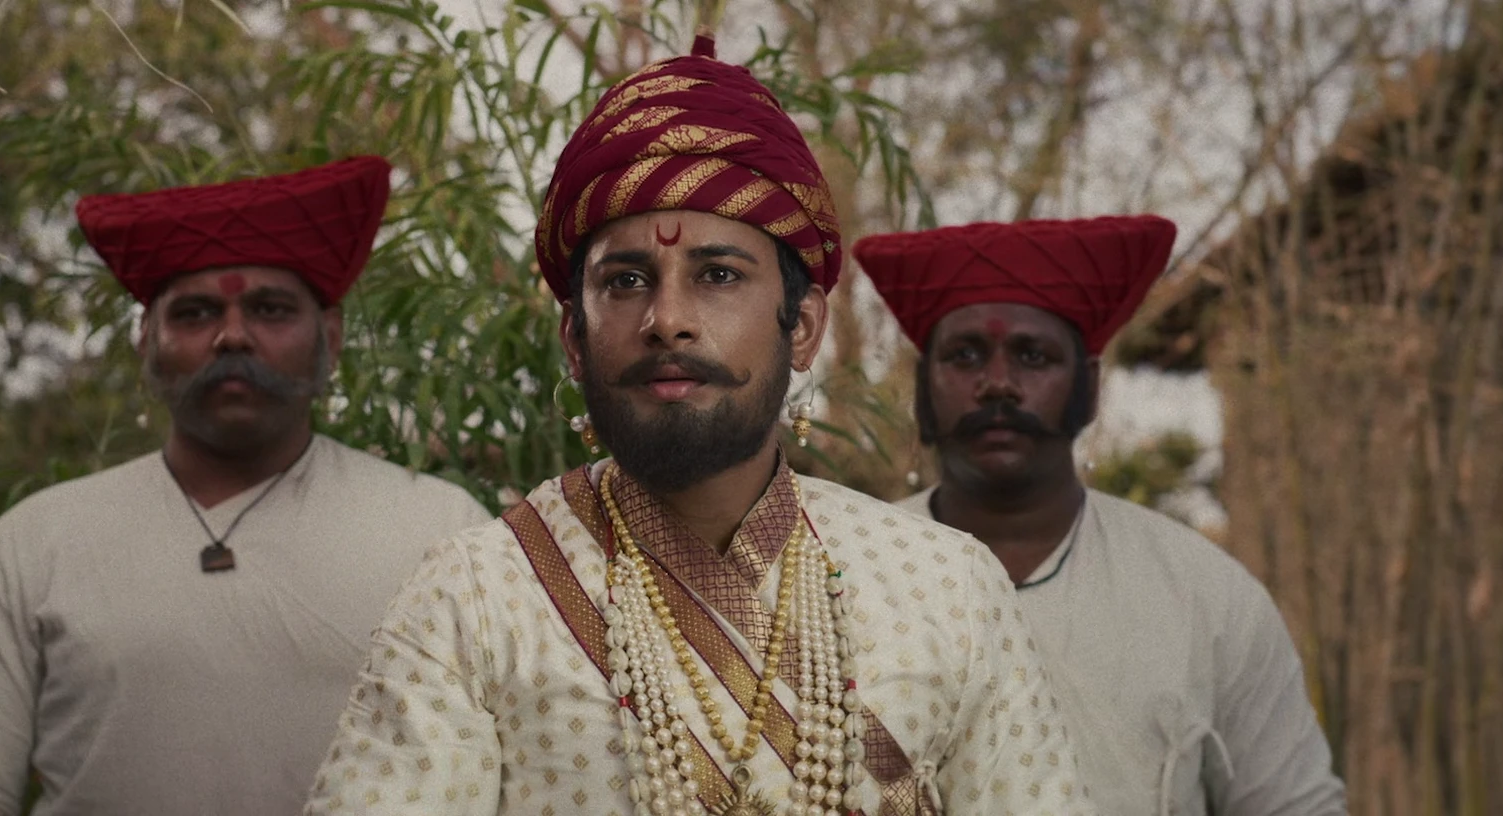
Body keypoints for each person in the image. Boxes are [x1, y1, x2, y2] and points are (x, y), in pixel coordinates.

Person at [303, 38, 1091, 816]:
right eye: (626, 281)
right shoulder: (477, 596)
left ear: (803, 328)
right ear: (574, 338)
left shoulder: (948, 588)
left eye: (718, 275)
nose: (668, 319)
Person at [0, 156, 494, 816]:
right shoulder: (36, 543)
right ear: (146, 341)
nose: (233, 336)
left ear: (331, 337)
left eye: (270, 309)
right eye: (196, 313)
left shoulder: (441, 531)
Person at [855, 217, 1347, 815]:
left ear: (1089, 387)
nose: (998, 384)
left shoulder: (1205, 595)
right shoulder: (846, 576)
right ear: (921, 391)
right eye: (965, 356)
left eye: (1033, 356)